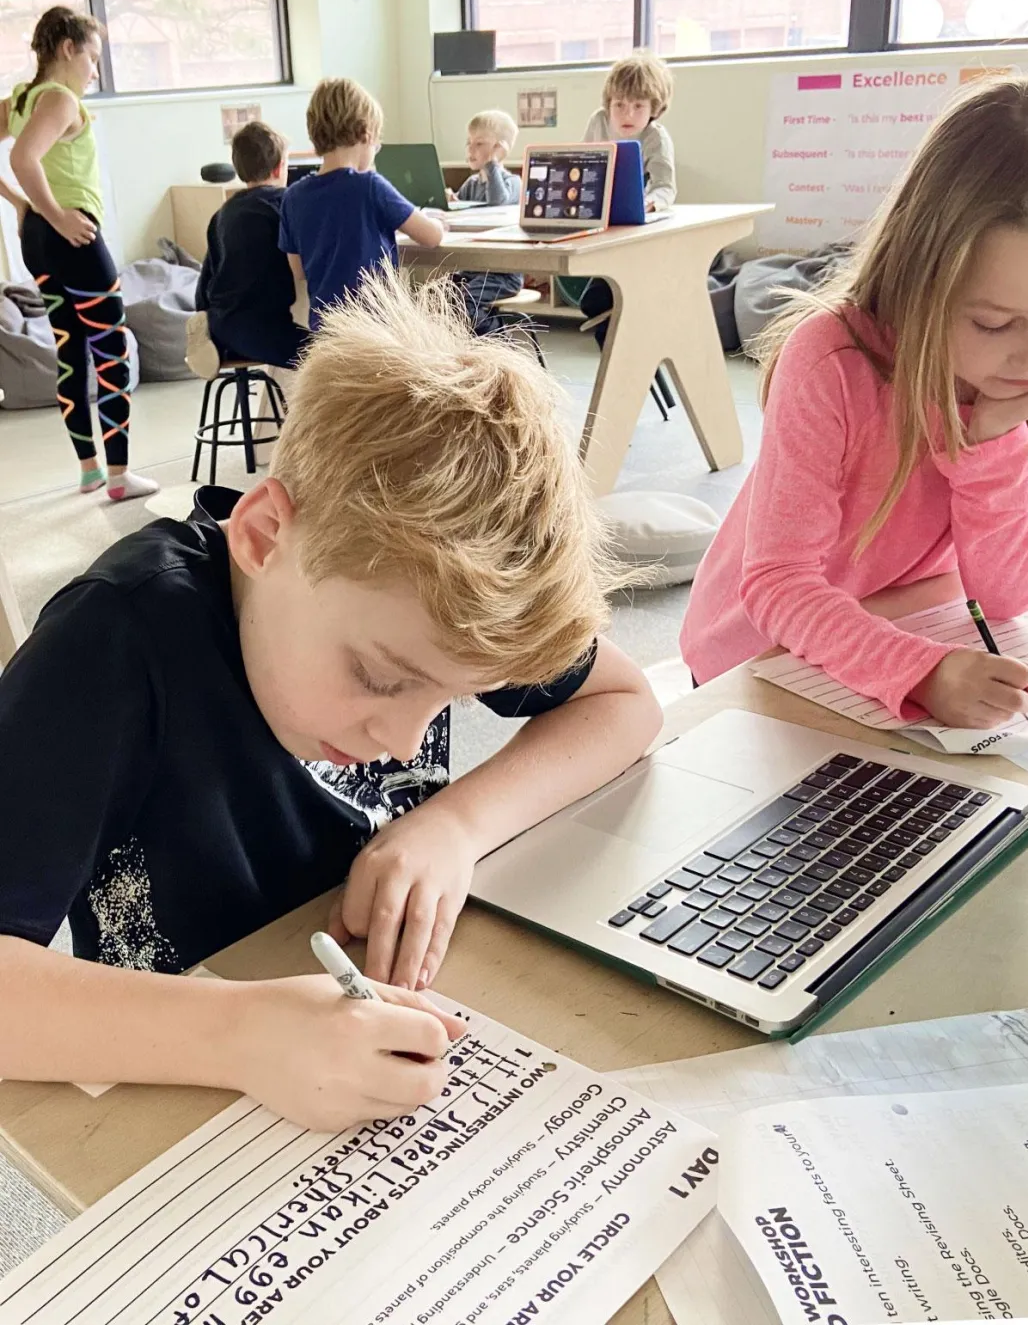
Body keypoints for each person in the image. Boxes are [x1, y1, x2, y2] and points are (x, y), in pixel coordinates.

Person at [0, 267, 661, 1132]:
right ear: (264, 534)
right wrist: (237, 1035)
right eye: (381, 680)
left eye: (455, 701)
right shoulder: (111, 642)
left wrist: (456, 824)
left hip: (363, 1045)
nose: (406, 740)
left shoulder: (430, 610)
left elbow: (627, 702)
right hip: (181, 1098)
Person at [680, 72, 1028, 732]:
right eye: (993, 323)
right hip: (756, 656)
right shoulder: (832, 360)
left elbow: (1015, 593)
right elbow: (778, 582)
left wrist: (992, 442)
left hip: (911, 623)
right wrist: (921, 672)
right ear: (918, 283)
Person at [0, 6, 157, 501]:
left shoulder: (20, 99)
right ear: (67, 49)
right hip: (72, 238)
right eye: (92, 58)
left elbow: (21, 156)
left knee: (71, 350)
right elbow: (22, 157)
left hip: (38, 241)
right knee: (112, 351)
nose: (94, 71)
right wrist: (54, 213)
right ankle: (119, 475)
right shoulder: (61, 99)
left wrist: (23, 207)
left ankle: (90, 469)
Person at [279, 78, 444, 330]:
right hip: (377, 326)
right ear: (366, 134)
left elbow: (299, 271)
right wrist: (438, 222)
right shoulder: (369, 186)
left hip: (326, 329)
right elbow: (432, 237)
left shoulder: (293, 197)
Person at [578, 49, 677, 347]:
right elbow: (583, 165)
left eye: (638, 106)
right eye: (619, 104)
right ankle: (622, 356)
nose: (627, 114)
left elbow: (665, 187)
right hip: (604, 228)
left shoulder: (656, 137)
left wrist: (650, 202)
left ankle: (634, 357)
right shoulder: (598, 122)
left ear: (654, 108)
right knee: (594, 303)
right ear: (608, 103)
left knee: (608, 301)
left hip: (639, 233)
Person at [195, 120, 309, 369]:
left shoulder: (223, 214)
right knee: (327, 354)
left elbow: (204, 283)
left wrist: (203, 313)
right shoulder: (284, 206)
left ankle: (209, 339)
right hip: (262, 329)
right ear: (279, 168)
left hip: (220, 324)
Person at [450, 108, 523, 337]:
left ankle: (498, 344)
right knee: (438, 296)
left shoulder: (513, 182)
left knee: (465, 303)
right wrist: (451, 204)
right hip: (473, 270)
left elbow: (497, 201)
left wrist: (492, 163)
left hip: (503, 274)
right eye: (469, 143)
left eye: (479, 143)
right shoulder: (471, 184)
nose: (471, 149)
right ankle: (463, 347)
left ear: (499, 148)